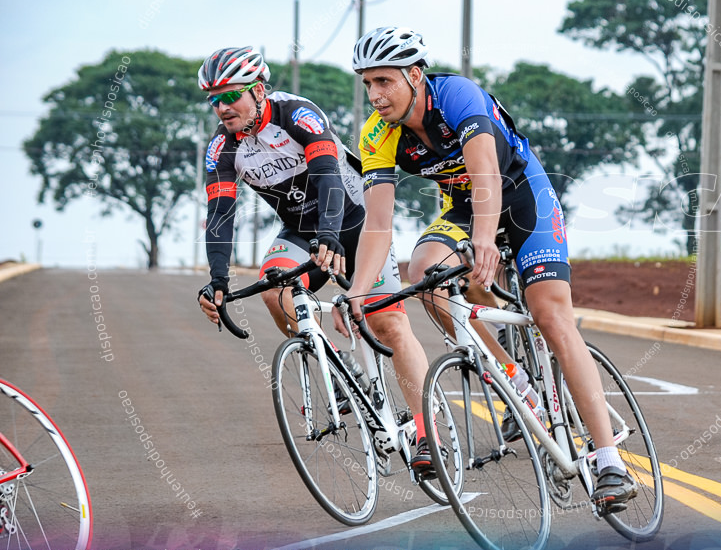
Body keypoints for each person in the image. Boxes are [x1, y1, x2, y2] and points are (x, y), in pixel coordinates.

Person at [340, 26, 637, 512]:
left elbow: (485, 175)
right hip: (463, 207)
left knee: (550, 315)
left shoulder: (457, 95)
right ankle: (513, 377)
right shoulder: (378, 135)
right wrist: (359, 290)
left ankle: (608, 463)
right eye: (367, 83)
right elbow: (377, 224)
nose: (374, 95)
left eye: (384, 81)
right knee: (424, 273)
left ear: (415, 75)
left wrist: (483, 241)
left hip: (522, 195)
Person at [194, 46, 433, 470]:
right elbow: (219, 215)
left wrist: (331, 235)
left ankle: (427, 432)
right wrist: (217, 280)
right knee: (274, 289)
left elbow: (327, 176)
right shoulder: (222, 149)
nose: (223, 107)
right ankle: (337, 372)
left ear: (259, 90)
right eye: (214, 99)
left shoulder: (297, 114)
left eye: (231, 95)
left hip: (354, 219)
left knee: (388, 322)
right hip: (302, 231)